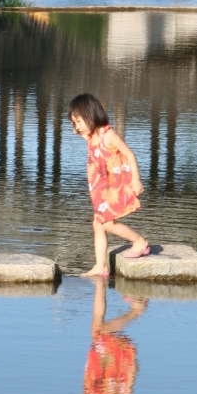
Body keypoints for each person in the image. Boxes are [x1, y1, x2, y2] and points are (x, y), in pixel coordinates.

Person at [61, 277, 147, 394]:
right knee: (101, 331)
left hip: (100, 367)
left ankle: (101, 284)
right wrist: (131, 370)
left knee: (96, 330)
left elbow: (88, 390)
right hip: (114, 370)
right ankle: (136, 311)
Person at [68, 93, 149, 277]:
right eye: (74, 123)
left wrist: (136, 179)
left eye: (78, 122)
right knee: (98, 224)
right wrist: (79, 129)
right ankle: (101, 266)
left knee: (106, 224)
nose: (76, 129)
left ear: (90, 115)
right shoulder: (91, 137)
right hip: (100, 190)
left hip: (114, 187)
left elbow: (129, 154)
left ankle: (140, 242)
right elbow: (86, 137)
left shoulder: (108, 135)